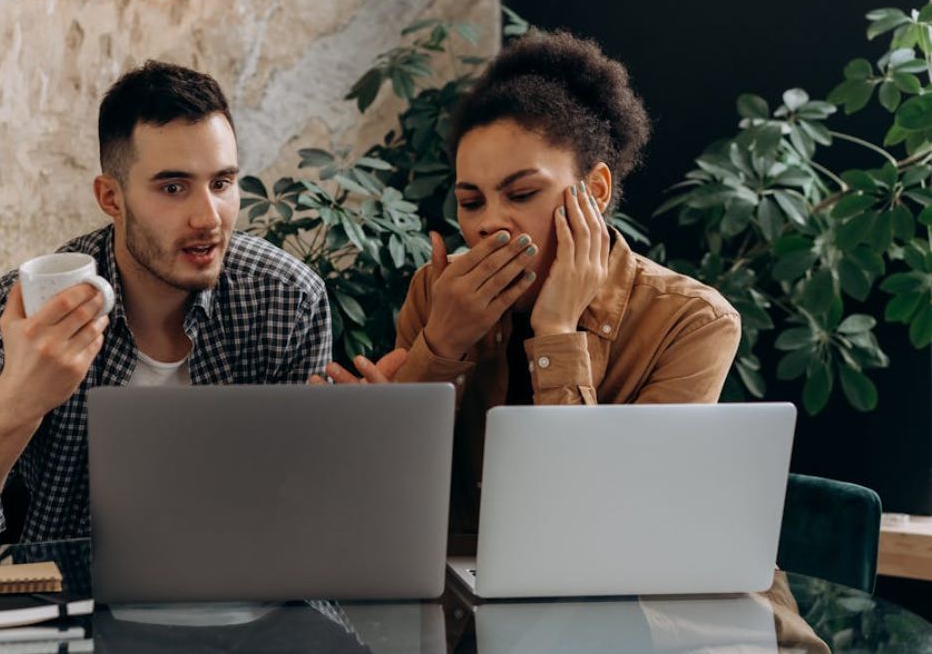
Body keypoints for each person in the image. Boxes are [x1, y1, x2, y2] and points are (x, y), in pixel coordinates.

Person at [314, 30, 742, 536]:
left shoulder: (691, 320)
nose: (489, 223)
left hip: (632, 599)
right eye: (471, 202)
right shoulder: (436, 293)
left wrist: (557, 331)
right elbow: (389, 506)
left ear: (596, 190)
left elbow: (608, 520)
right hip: (463, 594)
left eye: (521, 193)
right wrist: (441, 346)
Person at [0, 62, 331, 552]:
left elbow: (305, 510)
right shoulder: (39, 306)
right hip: (80, 604)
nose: (208, 217)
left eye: (222, 184)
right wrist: (21, 397)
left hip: (244, 604)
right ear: (111, 198)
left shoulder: (286, 298)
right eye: (172, 187)